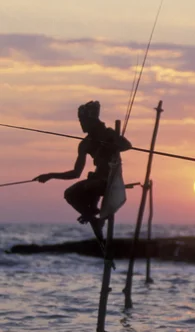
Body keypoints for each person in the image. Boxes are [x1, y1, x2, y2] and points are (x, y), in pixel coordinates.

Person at [34, 101, 132, 240]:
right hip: (96, 180)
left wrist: (111, 144)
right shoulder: (85, 144)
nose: (81, 124)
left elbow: (127, 145)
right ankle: (93, 218)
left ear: (92, 120)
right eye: (80, 121)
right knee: (70, 193)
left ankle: (91, 214)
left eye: (83, 121)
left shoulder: (109, 133)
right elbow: (76, 173)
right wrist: (50, 175)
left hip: (111, 180)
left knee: (91, 185)